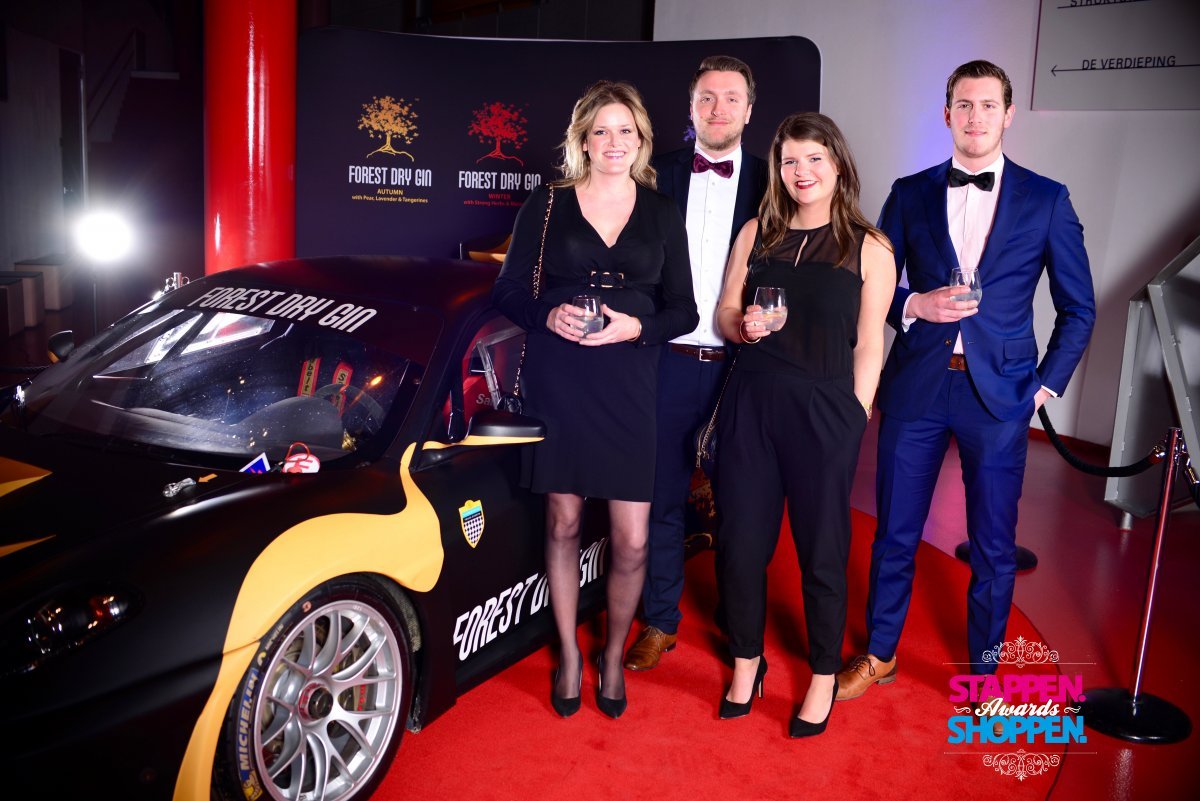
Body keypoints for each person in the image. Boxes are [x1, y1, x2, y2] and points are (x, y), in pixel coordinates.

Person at [837, 60, 1095, 699]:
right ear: (946, 113)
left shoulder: (1047, 199)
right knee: (894, 534)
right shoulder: (909, 192)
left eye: (987, 106)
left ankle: (983, 676)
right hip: (917, 387)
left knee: (993, 547)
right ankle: (879, 654)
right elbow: (871, 286)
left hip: (1001, 396)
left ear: (1008, 115)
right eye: (964, 105)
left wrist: (1044, 387)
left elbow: (1079, 307)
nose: (975, 117)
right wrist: (914, 305)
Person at [491, 80, 698, 719]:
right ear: (583, 140)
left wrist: (637, 328)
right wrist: (545, 316)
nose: (613, 142)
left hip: (631, 382)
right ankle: (568, 656)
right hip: (562, 378)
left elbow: (684, 310)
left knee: (632, 539)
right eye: (601, 130)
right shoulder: (548, 202)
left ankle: (611, 656)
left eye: (625, 131)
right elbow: (508, 290)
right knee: (563, 521)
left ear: (641, 141)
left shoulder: (661, 210)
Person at [713, 112, 895, 737]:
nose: (802, 171)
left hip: (824, 411)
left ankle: (821, 675)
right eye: (790, 161)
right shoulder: (756, 233)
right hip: (751, 403)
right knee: (740, 545)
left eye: (815, 158)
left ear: (837, 164)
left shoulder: (869, 246)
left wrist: (855, 415)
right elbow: (726, 312)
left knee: (822, 551)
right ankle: (746, 663)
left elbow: (869, 343)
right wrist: (742, 328)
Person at [625, 55, 769, 672]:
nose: (718, 109)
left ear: (749, 109)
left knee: (741, 505)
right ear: (690, 108)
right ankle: (660, 620)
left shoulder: (774, 180)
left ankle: (740, 629)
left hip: (743, 366)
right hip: (667, 360)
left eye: (731, 98)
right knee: (661, 497)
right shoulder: (653, 175)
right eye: (707, 97)